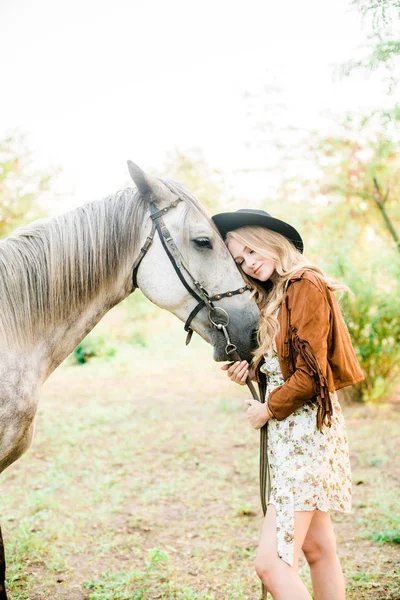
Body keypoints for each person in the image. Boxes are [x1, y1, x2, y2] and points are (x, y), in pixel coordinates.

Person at [211, 209, 364, 600]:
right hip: (292, 437)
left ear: (268, 238)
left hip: (305, 436)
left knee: (272, 564)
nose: (249, 261)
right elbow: (289, 366)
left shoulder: (305, 284)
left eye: (249, 249)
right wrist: (253, 373)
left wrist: (267, 408)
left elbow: (313, 375)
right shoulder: (276, 296)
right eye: (240, 260)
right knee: (318, 550)